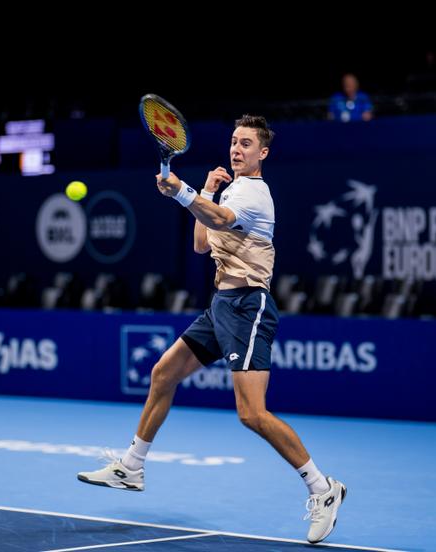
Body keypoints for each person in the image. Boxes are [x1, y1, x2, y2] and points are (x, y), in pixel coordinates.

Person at [77, 115, 347, 544]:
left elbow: (220, 220)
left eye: (246, 144)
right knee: (163, 374)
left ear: (263, 153)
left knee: (251, 413)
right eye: (234, 142)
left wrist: (184, 193)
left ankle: (323, 488)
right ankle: (132, 465)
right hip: (220, 305)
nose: (237, 150)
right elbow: (202, 243)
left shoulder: (256, 193)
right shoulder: (231, 189)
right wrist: (201, 191)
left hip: (247, 306)